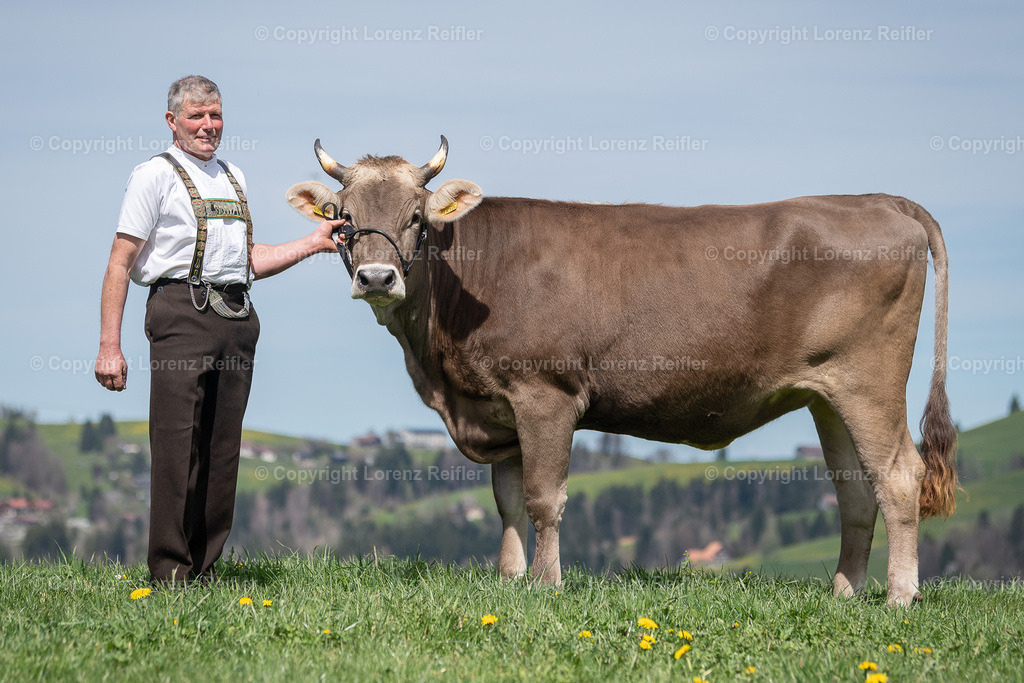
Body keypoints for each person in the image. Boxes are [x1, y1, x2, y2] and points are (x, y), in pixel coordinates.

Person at [94, 75, 344, 585]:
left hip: (235, 317)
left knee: (222, 450)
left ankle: (204, 572)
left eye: (215, 116)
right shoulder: (153, 175)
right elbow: (120, 263)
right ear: (172, 121)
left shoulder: (234, 177)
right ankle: (168, 574)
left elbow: (247, 259)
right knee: (175, 446)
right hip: (179, 312)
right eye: (196, 116)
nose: (208, 126)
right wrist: (109, 346)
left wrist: (312, 242)